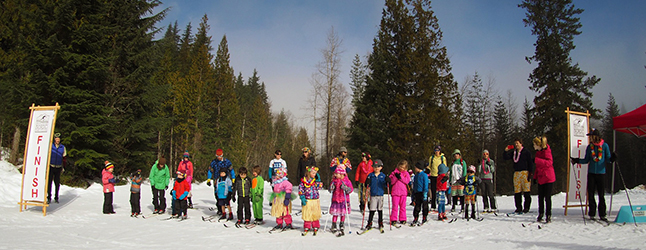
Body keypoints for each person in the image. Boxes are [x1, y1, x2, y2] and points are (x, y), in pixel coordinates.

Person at [571, 129, 615, 222]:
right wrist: (577, 160)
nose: (590, 138)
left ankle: (602, 214)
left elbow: (607, 159)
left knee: (601, 194)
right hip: (591, 173)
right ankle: (592, 213)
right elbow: (586, 160)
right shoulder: (589, 147)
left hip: (601, 173)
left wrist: (612, 158)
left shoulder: (604, 146)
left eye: (591, 136)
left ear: (595, 136)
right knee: (590, 194)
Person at [503, 138, 534, 214]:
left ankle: (526, 207)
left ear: (521, 143)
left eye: (517, 143)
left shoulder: (526, 152)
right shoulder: (514, 153)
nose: (516, 145)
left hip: (525, 172)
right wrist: (505, 151)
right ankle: (518, 207)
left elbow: (530, 162)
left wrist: (530, 173)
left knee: (526, 191)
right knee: (517, 192)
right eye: (515, 143)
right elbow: (505, 157)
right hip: (516, 173)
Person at [534, 136, 555, 223]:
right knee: (540, 197)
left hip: (548, 177)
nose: (534, 146)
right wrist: (535, 177)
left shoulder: (547, 152)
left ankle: (548, 214)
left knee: (547, 197)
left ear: (539, 145)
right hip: (541, 177)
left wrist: (537, 160)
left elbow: (549, 163)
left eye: (534, 145)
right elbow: (537, 166)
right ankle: (541, 213)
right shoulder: (538, 153)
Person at [207, 148, 235, 215]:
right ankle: (220, 208)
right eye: (217, 156)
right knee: (217, 194)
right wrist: (209, 178)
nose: (219, 158)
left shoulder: (227, 161)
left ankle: (227, 207)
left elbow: (231, 170)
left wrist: (233, 178)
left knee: (226, 194)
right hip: (217, 180)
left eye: (220, 156)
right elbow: (210, 170)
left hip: (225, 180)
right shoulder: (214, 162)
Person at [299, 166, 323, 235]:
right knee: (307, 214)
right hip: (307, 200)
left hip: (315, 200)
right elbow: (301, 190)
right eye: (313, 173)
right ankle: (307, 226)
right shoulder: (303, 181)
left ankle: (315, 225)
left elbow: (320, 187)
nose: (314, 174)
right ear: (309, 173)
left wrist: (318, 180)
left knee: (315, 213)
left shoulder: (315, 181)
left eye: (315, 173)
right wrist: (302, 197)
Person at [364, 159, 388, 231]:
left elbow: (386, 186)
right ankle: (369, 222)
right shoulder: (370, 175)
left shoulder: (382, 176)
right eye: (375, 166)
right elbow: (367, 185)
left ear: (381, 167)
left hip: (380, 195)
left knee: (380, 209)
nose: (376, 168)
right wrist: (367, 183)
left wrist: (388, 182)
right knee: (372, 210)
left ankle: (380, 222)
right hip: (373, 195)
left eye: (378, 166)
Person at [329, 167, 353, 236]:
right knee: (335, 213)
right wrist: (331, 188)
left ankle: (342, 223)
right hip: (336, 199)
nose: (335, 175)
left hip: (343, 200)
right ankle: (334, 224)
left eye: (337, 173)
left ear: (342, 174)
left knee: (343, 212)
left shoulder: (347, 181)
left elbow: (350, 189)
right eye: (335, 173)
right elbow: (330, 189)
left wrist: (346, 188)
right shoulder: (334, 181)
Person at [270, 166, 294, 231]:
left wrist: (287, 198)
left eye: (277, 175)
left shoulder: (285, 182)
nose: (276, 176)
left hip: (283, 198)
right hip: (277, 199)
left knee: (285, 212)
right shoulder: (276, 182)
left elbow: (289, 188)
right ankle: (279, 223)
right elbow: (275, 191)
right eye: (276, 174)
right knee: (278, 211)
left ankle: (288, 223)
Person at [389, 160, 411, 225]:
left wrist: (400, 177)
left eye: (403, 168)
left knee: (403, 206)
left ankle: (402, 218)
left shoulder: (406, 173)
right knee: (395, 206)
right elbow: (391, 181)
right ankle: (393, 219)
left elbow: (407, 181)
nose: (402, 169)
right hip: (395, 192)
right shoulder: (394, 173)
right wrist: (396, 177)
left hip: (403, 192)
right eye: (401, 167)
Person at [48, 133, 66, 204]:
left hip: (58, 167)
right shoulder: (50, 146)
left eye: (58, 139)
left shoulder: (62, 147)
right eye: (56, 139)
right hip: (51, 166)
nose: (57, 140)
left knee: (57, 182)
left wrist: (64, 166)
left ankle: (56, 197)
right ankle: (48, 197)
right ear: (54, 139)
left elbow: (64, 158)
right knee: (49, 182)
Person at [427, 145, 446, 211]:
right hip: (433, 175)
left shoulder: (442, 158)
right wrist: (428, 170)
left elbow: (444, 166)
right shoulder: (431, 158)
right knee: (433, 191)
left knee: (440, 191)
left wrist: (445, 175)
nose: (436, 152)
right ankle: (433, 205)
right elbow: (429, 166)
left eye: (438, 150)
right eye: (435, 150)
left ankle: (440, 206)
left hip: (440, 176)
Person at [411, 160, 429, 225]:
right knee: (417, 206)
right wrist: (413, 193)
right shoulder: (416, 176)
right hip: (417, 193)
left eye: (416, 167)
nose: (415, 169)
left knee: (425, 206)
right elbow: (414, 184)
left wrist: (425, 192)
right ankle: (415, 217)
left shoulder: (424, 175)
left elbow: (426, 184)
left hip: (423, 192)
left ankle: (424, 217)